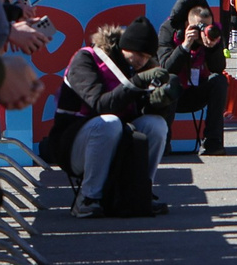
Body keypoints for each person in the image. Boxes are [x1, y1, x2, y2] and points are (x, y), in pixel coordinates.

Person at [46, 20, 171, 217]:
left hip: (112, 141)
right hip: (71, 144)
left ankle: (140, 192)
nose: (142, 61)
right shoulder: (86, 59)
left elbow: (135, 114)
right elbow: (100, 105)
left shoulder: (137, 70)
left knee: (156, 125)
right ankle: (87, 199)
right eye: (139, 54)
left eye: (147, 57)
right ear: (125, 46)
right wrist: (136, 83)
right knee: (109, 123)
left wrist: (158, 103)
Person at [158, 0, 232, 155]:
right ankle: (163, 143)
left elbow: (218, 68)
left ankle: (213, 142)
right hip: (173, 95)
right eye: (199, 27)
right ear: (187, 25)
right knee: (170, 80)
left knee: (219, 80)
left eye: (207, 26)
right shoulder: (169, 32)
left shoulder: (214, 34)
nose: (203, 31)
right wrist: (185, 46)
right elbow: (166, 68)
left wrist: (213, 48)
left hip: (197, 91)